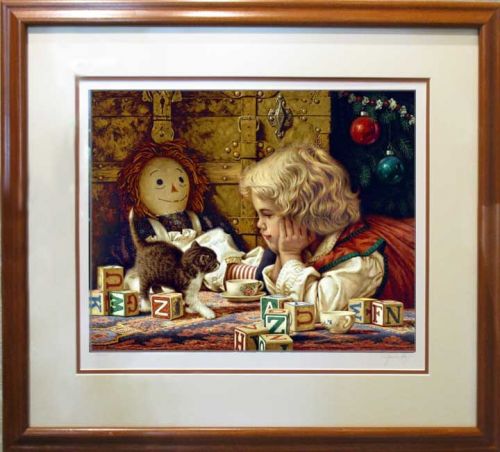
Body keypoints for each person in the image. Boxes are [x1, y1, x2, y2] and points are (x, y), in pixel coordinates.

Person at [239, 144, 415, 320]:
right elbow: (280, 297)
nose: (259, 224)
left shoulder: (358, 257)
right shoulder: (308, 247)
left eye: (267, 215)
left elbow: (316, 310)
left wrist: (290, 256)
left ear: (301, 213)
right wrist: (283, 256)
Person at [116, 139, 264, 310]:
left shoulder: (199, 218)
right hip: (177, 266)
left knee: (218, 237)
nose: (174, 188)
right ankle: (249, 275)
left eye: (180, 179)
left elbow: (223, 235)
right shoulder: (145, 227)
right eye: (159, 183)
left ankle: (253, 268)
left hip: (202, 254)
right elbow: (129, 253)